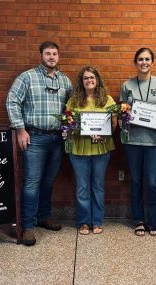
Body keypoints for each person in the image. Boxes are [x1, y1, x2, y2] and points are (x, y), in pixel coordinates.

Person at [6, 41, 72, 246]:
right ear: (40, 55)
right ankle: (27, 226)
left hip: (57, 138)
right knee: (32, 182)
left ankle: (44, 216)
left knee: (48, 181)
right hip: (34, 137)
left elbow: (71, 108)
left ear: (58, 56)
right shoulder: (27, 77)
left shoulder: (65, 81)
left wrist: (69, 130)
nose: (51, 57)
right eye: (47, 53)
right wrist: (20, 129)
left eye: (54, 54)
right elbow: (12, 101)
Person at [120, 48, 156, 237]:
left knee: (151, 182)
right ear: (136, 62)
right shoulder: (127, 85)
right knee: (135, 181)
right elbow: (123, 110)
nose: (144, 62)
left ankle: (152, 221)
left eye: (148, 59)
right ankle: (138, 220)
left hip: (154, 141)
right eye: (141, 59)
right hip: (133, 141)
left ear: (152, 62)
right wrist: (125, 116)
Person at [66, 66, 117, 235]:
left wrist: (104, 134)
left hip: (101, 150)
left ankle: (97, 221)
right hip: (79, 150)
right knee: (82, 187)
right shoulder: (73, 100)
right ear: (81, 82)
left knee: (98, 187)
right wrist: (77, 130)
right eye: (86, 78)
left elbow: (114, 124)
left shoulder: (107, 99)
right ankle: (84, 222)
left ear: (97, 80)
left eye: (92, 77)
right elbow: (68, 124)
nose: (89, 80)